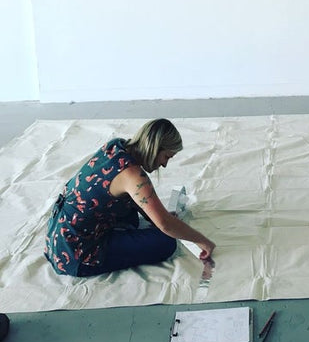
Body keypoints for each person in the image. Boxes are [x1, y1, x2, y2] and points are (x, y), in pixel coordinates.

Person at [44, 118, 215, 276]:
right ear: (155, 148)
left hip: (59, 237)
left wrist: (158, 217)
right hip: (75, 256)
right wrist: (202, 241)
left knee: (134, 214)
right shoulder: (132, 175)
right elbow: (165, 225)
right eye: (166, 156)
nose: (164, 164)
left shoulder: (116, 146)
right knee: (166, 242)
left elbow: (139, 201)